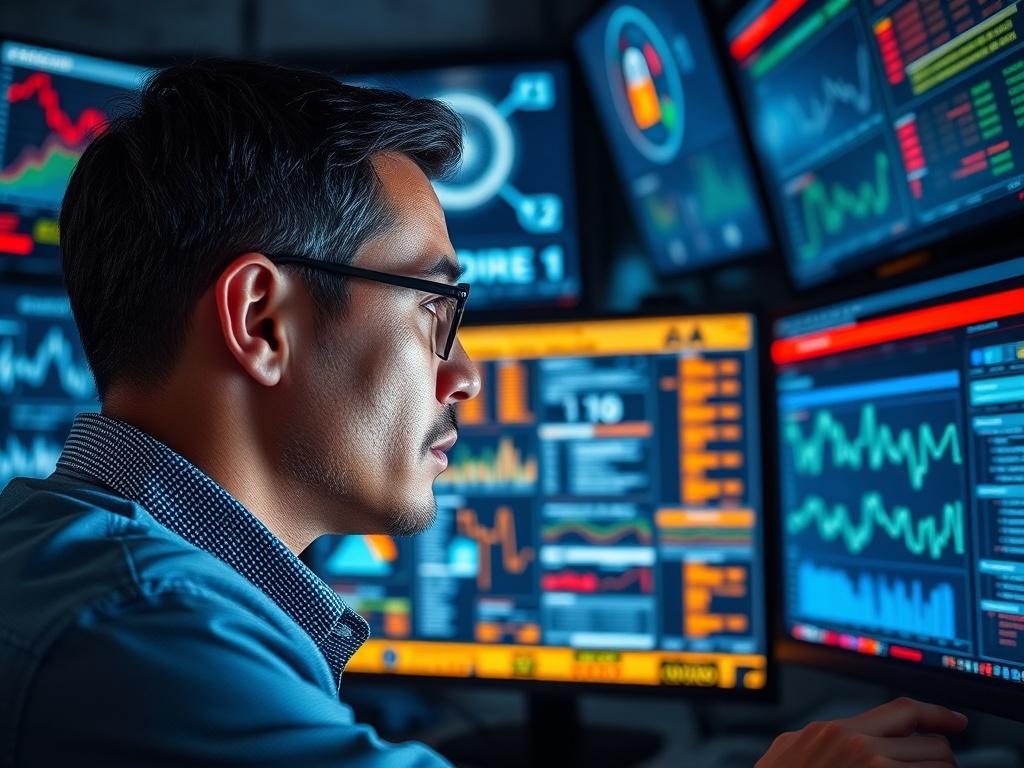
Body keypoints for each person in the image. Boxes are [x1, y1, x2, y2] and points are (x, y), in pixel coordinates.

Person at [0, 59, 966, 767]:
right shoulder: (151, 636)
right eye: (435, 309)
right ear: (262, 320)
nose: (462, 375)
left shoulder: (55, 550)